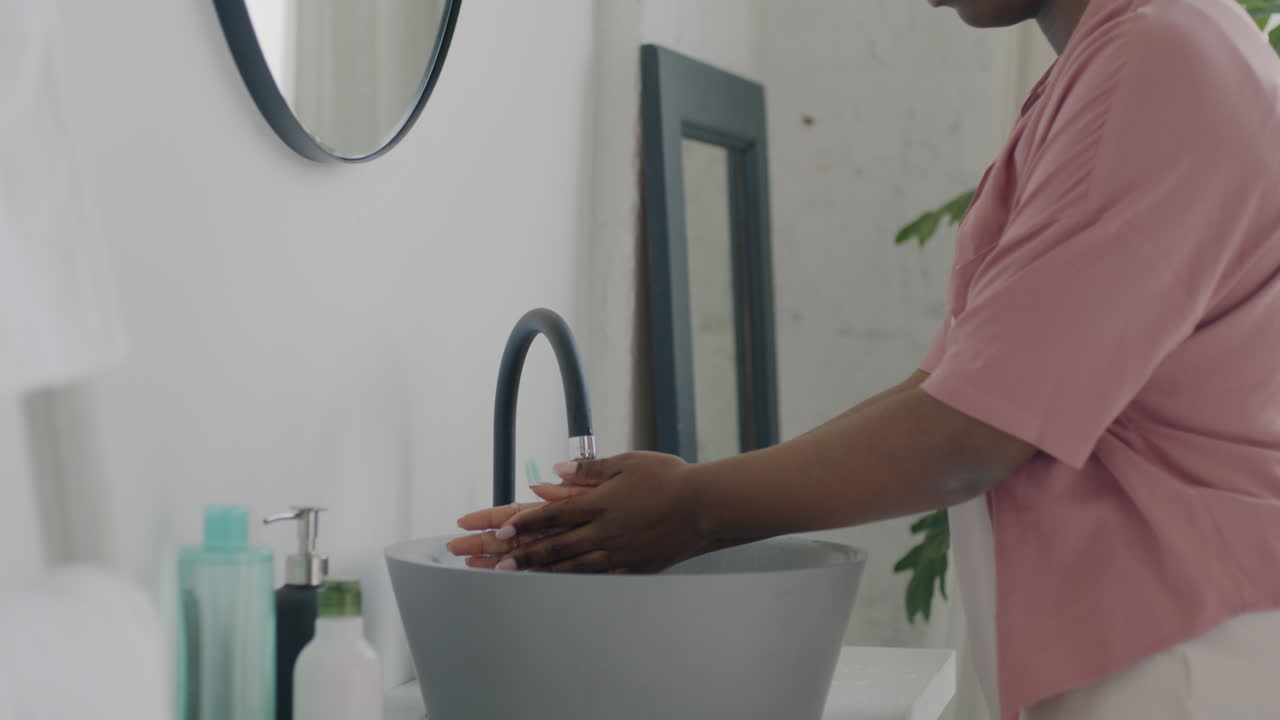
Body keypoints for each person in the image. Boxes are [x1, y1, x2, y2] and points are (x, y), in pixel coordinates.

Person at [449, 0, 1280, 717]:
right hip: (1157, 635)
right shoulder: (1139, 52)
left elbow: (970, 438)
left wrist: (693, 508)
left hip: (1184, 660)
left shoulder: (1159, 60)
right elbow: (950, 392)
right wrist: (669, 501)